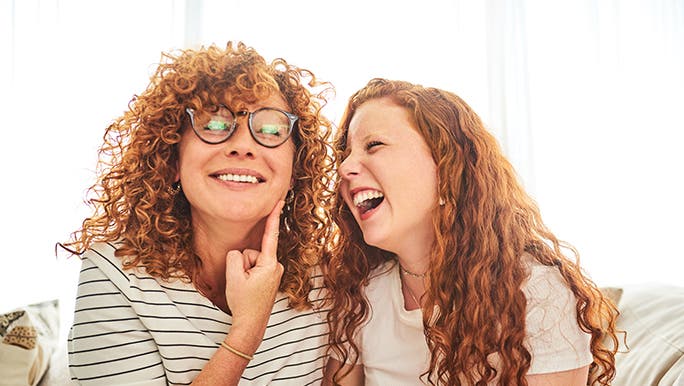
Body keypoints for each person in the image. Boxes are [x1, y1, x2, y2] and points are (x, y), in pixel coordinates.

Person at [61, 42, 335, 385]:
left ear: (295, 168)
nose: (243, 145)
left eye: (270, 130)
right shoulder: (115, 273)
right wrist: (246, 333)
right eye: (214, 124)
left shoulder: (326, 280)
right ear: (173, 159)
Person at [322, 78, 619, 385]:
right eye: (345, 154)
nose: (345, 168)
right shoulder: (361, 296)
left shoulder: (535, 292)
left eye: (374, 145)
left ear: (446, 168)